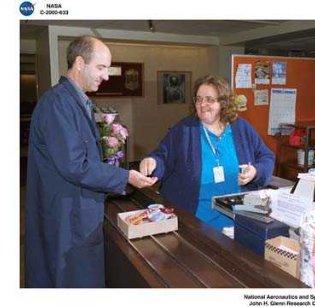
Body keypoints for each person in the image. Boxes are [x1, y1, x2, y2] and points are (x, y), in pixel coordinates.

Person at [25, 36, 157, 288]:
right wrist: (125, 176)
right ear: (79, 62)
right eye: (101, 67)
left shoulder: (75, 101)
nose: (106, 76)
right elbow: (75, 166)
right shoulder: (58, 103)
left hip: (77, 210)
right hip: (68, 215)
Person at [140, 75, 275, 230]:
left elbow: (266, 156)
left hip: (239, 220)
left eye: (209, 99)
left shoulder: (241, 128)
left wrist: (255, 172)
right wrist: (152, 161)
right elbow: (162, 156)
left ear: (223, 103)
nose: (202, 104)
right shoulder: (184, 130)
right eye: (198, 99)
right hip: (196, 221)